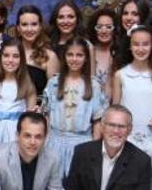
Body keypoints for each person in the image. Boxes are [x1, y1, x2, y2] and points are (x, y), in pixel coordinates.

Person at [42, 37, 106, 176]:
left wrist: (94, 151)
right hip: (54, 142)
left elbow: (97, 123)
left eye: (79, 55)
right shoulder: (54, 83)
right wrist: (45, 143)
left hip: (82, 144)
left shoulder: (93, 85)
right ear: (64, 57)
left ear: (86, 58)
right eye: (70, 55)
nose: (74, 59)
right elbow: (46, 116)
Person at [110, 25, 152, 153]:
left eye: (145, 44)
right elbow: (115, 111)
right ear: (130, 46)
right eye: (136, 44)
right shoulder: (120, 75)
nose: (141, 49)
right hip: (127, 141)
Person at [15, 4, 60, 95]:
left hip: (38, 107)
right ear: (18, 28)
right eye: (24, 25)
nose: (29, 29)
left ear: (40, 27)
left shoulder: (50, 56)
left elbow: (53, 94)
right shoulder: (9, 53)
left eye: (34, 24)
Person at [87, 7, 120, 99]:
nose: (104, 31)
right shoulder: (87, 52)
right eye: (99, 27)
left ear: (115, 29)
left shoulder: (121, 54)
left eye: (109, 27)